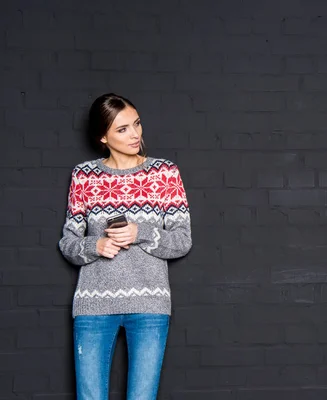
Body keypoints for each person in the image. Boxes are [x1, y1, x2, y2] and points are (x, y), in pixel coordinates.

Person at [58, 93, 192, 399]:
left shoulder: (164, 173)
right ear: (103, 136)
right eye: (122, 129)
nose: (135, 134)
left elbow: (182, 240)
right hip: (93, 306)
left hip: (149, 305)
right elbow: (68, 242)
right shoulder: (84, 176)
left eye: (137, 123)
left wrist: (140, 232)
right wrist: (96, 245)